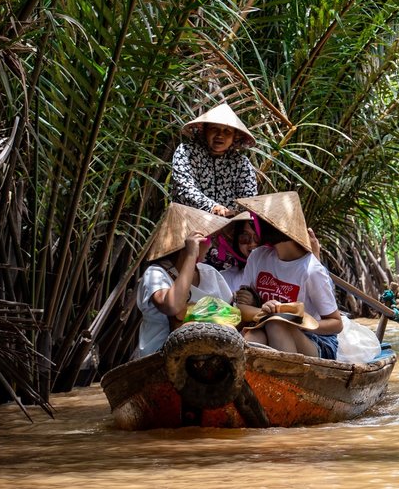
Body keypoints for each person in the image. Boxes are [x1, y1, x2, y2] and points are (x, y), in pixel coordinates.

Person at [234, 192, 342, 359]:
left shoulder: (311, 270)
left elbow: (336, 323)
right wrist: (265, 311)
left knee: (276, 324)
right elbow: (241, 306)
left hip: (316, 340)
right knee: (253, 336)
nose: (256, 225)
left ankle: (288, 380)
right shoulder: (258, 257)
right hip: (267, 327)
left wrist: (298, 321)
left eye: (259, 221)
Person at [134, 203, 234, 359]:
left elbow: (231, 313)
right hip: (160, 357)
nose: (211, 245)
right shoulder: (156, 273)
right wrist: (190, 255)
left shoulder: (209, 273)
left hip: (210, 354)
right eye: (207, 239)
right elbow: (172, 306)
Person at [171, 103, 258, 217]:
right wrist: (213, 208)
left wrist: (242, 220)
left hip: (227, 227)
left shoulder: (241, 163)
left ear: (234, 137)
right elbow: (183, 188)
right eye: (214, 129)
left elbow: (249, 200)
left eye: (227, 131)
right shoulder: (187, 152)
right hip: (189, 222)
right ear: (204, 131)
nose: (220, 135)